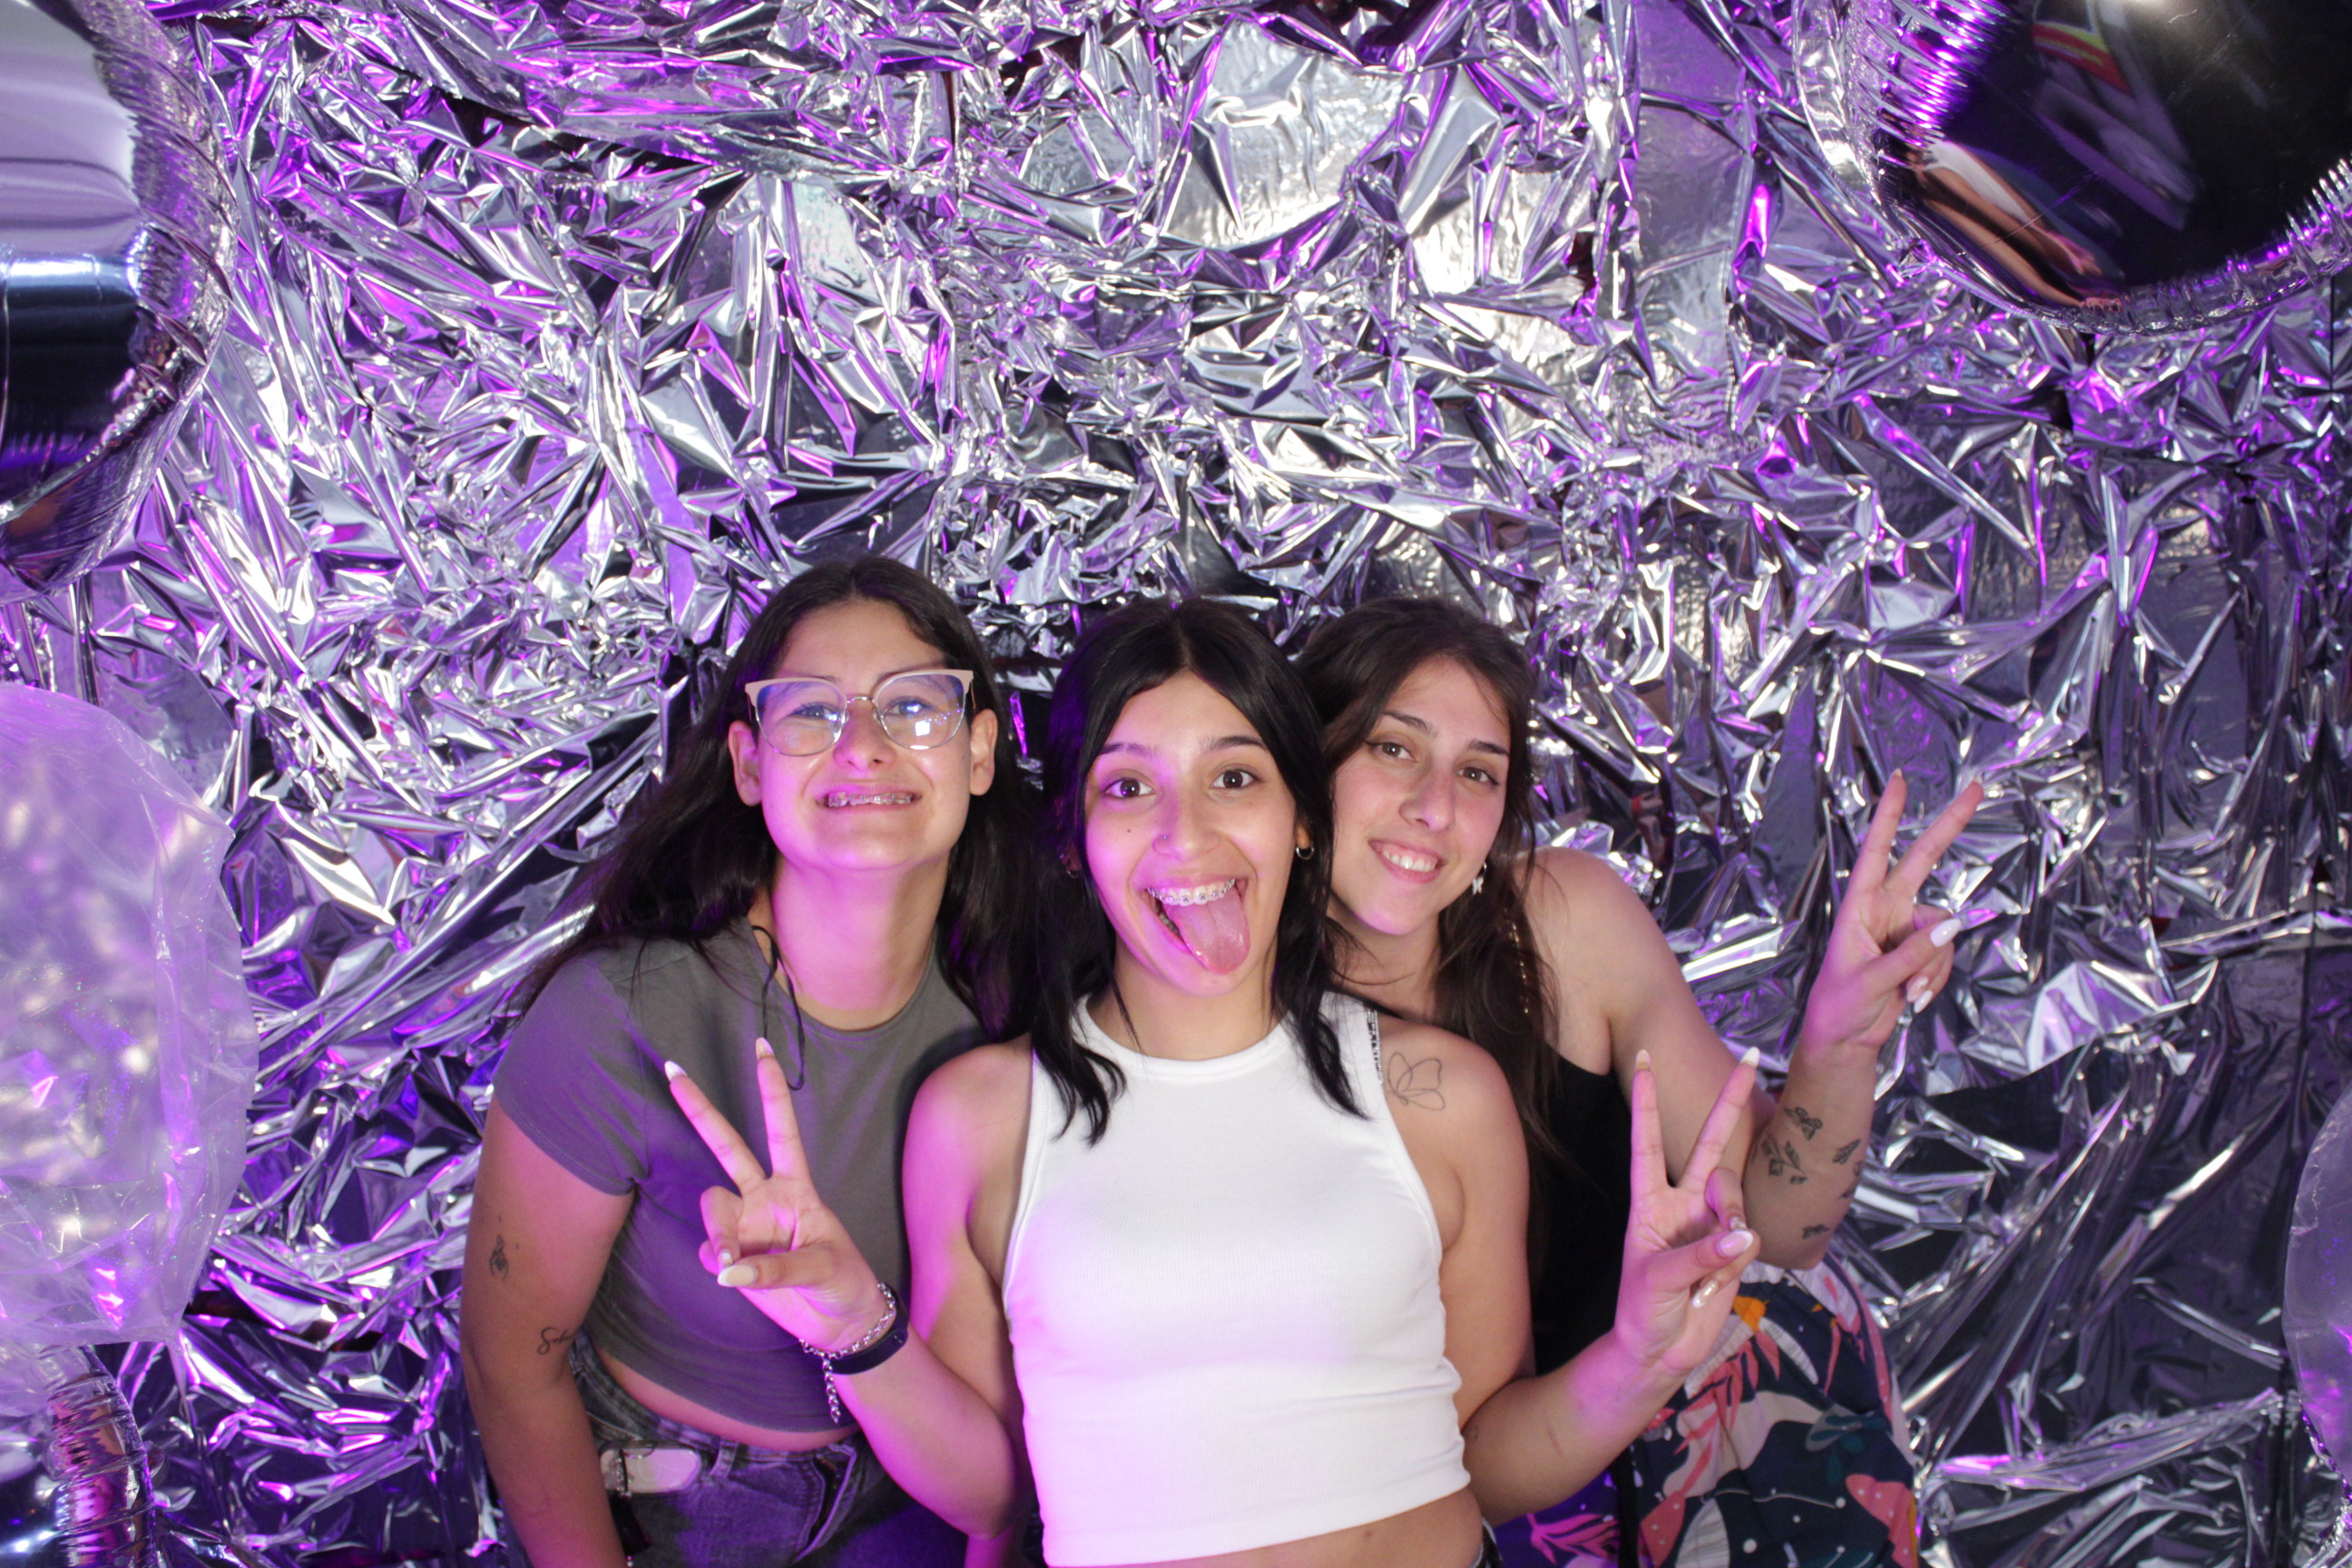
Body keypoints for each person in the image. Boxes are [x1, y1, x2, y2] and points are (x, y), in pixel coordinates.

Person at [666, 596, 1774, 1568]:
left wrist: (1635, 1363)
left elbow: (1487, 1463)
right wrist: (851, 1327)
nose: (1186, 835)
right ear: (1074, 840)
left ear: (1301, 821)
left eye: (1234, 778)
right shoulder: (981, 1117)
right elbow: (995, 1496)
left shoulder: (1442, 1095)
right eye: (1128, 786)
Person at [1298, 595, 1981, 1568]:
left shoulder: (1565, 923)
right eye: (1392, 748)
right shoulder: (1231, 1025)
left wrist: (1840, 1043)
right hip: (1474, 1493)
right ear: (1306, 763)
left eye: (1478, 772)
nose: (1435, 807)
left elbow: (1782, 1233)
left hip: (1721, 1405)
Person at [460, 554, 1034, 1568]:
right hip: (670, 1510)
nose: (863, 745)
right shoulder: (620, 1016)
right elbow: (512, 1371)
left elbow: (988, 1493)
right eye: (811, 712)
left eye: (913, 705)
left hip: (898, 1507)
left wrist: (854, 1321)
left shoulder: (1003, 1038)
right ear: (749, 763)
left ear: (980, 752)